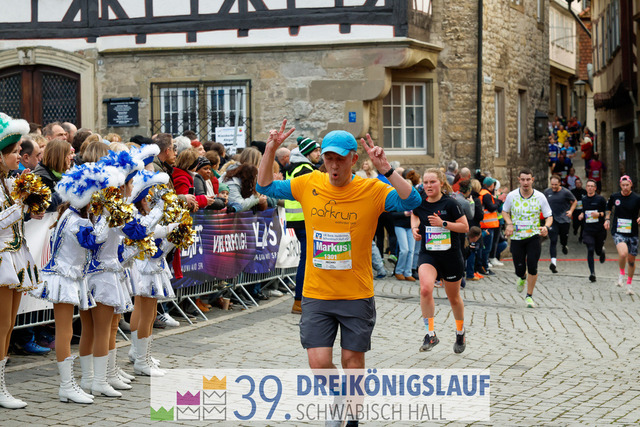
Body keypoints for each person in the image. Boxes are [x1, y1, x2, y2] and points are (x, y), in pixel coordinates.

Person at [256, 120, 420, 379]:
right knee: (319, 364)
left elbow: (411, 200)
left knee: (352, 363)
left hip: (356, 294)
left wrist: (386, 170)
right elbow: (263, 186)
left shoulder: (372, 190)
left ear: (353, 159)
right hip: (317, 292)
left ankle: (350, 405)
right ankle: (344, 396)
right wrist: (269, 150)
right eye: (328, 158)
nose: (333, 165)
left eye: (340, 159)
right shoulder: (309, 182)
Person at [0, 114, 44, 409]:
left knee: (8, 325)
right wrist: (21, 204)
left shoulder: (7, 182)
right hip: (2, 260)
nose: (20, 155)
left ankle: (1, 385)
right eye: (15, 151)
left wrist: (28, 209)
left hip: (14, 257)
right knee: (1, 324)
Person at [411, 169, 469, 353]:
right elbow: (414, 214)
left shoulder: (451, 203)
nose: (428, 186)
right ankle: (430, 334)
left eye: (432, 182)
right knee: (425, 289)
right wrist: (414, 228)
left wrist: (443, 223)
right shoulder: (420, 201)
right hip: (429, 255)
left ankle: (460, 332)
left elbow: (465, 227)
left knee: (453, 298)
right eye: (426, 182)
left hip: (451, 256)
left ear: (441, 183)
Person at [502, 168, 553, 308]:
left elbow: (549, 216)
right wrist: (509, 223)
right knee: (519, 269)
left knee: (532, 265)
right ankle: (522, 277)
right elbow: (505, 211)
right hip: (517, 238)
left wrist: (546, 227)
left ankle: (529, 296)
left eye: (528, 179)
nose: (525, 182)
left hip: (533, 236)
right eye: (523, 179)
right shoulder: (512, 196)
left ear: (532, 180)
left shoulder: (540, 197)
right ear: (519, 180)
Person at [283, 137, 321, 314]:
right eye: (315, 151)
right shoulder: (305, 170)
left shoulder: (295, 168)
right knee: (307, 262)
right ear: (306, 153)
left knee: (307, 261)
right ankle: (299, 301)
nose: (319, 154)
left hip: (297, 218)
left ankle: (304, 300)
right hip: (305, 219)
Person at [605, 175, 640, 295]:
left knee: (631, 261)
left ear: (631, 185)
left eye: (627, 185)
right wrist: (607, 218)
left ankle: (629, 284)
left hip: (632, 232)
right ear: (620, 185)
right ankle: (621, 273)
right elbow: (608, 207)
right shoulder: (615, 196)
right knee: (623, 253)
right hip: (618, 230)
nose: (625, 187)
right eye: (623, 185)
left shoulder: (636, 198)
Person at [544, 175, 577, 273]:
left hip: (564, 220)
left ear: (560, 183)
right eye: (552, 184)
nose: (553, 186)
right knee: (553, 240)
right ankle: (553, 263)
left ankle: (564, 245)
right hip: (552, 220)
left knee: (563, 238)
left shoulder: (565, 192)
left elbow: (574, 201)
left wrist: (571, 211)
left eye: (555, 184)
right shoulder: (547, 192)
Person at [579, 179, 607, 282]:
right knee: (590, 249)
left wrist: (598, 214)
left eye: (592, 186)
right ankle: (592, 273)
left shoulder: (600, 199)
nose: (590, 188)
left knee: (597, 251)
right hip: (588, 230)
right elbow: (583, 211)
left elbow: (607, 212)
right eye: (588, 186)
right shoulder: (584, 199)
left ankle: (601, 251)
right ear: (586, 188)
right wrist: (581, 215)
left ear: (595, 188)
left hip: (599, 230)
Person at [479, 177, 501, 271]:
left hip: (485, 223)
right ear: (491, 185)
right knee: (487, 247)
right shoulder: (487, 194)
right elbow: (491, 207)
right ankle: (485, 265)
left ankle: (484, 264)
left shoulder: (482, 193)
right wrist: (499, 201)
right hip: (487, 224)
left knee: (484, 246)